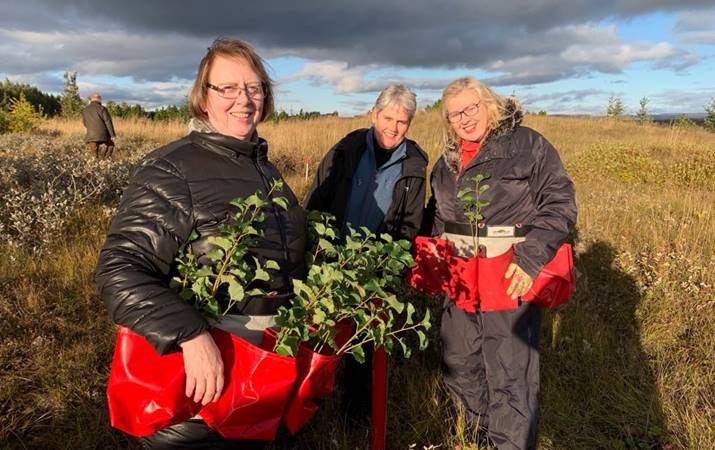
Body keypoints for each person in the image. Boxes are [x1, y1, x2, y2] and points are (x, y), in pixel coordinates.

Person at [95, 38, 306, 449]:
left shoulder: (265, 169)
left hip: (262, 376)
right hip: (204, 392)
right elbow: (119, 270)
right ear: (203, 98)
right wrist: (190, 335)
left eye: (253, 87)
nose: (243, 99)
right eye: (227, 88)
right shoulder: (173, 169)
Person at [422, 77, 576, 450]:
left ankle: (510, 444)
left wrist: (529, 260)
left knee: (509, 371)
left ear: (489, 104)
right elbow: (440, 218)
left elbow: (560, 205)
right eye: (455, 113)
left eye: (471, 107)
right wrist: (433, 263)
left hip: (509, 275)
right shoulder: (446, 160)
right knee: (460, 362)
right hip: (460, 279)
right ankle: (475, 437)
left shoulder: (528, 145)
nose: (465, 118)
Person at [304, 84, 428, 420]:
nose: (393, 127)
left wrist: (387, 269)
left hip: (374, 271)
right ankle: (308, 409)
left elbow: (408, 225)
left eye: (402, 121)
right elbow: (318, 197)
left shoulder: (414, 165)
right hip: (331, 262)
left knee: (363, 343)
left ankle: (354, 415)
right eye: (388, 117)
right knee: (320, 339)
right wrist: (313, 248)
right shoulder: (348, 148)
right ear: (374, 115)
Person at [82, 93, 116, 159]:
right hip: (103, 134)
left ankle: (96, 165)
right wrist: (112, 135)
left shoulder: (85, 110)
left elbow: (84, 123)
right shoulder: (102, 109)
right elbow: (108, 122)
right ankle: (105, 160)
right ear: (99, 100)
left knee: (94, 155)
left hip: (90, 135)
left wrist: (91, 129)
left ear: (91, 100)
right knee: (111, 145)